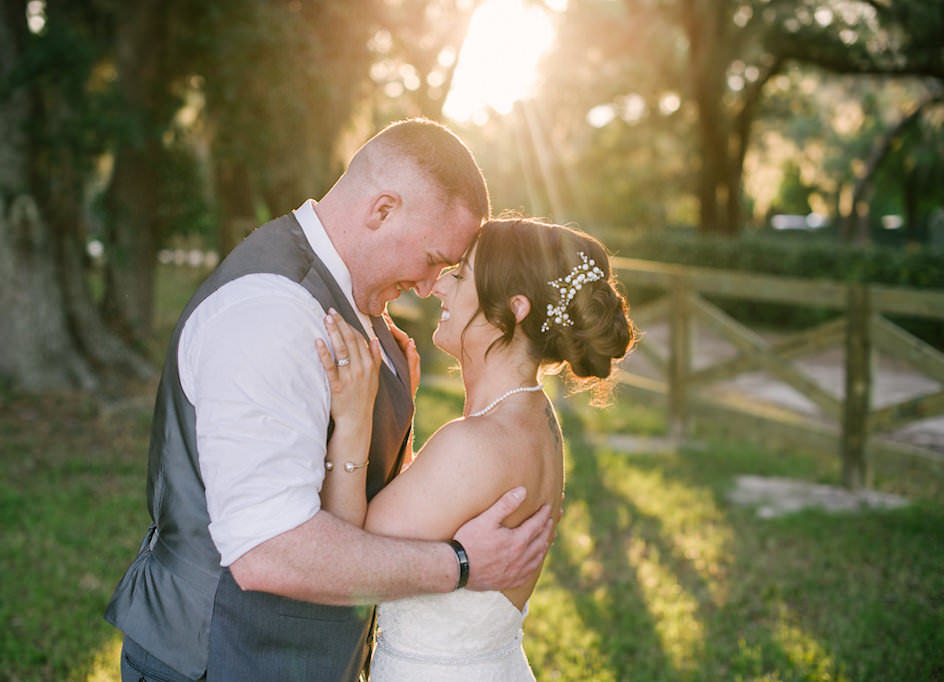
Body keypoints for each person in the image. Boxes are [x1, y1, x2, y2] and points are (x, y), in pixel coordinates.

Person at [105, 119, 555, 682]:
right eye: (434, 258)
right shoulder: (268, 314)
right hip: (219, 661)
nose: (427, 285)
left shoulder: (362, 303)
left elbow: (376, 497)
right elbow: (268, 550)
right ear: (383, 210)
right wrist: (461, 565)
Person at [316, 217, 636, 680]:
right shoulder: (535, 419)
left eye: (462, 275)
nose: (441, 288)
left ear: (515, 309)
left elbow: (349, 558)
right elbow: (428, 516)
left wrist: (352, 419)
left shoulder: (474, 444)